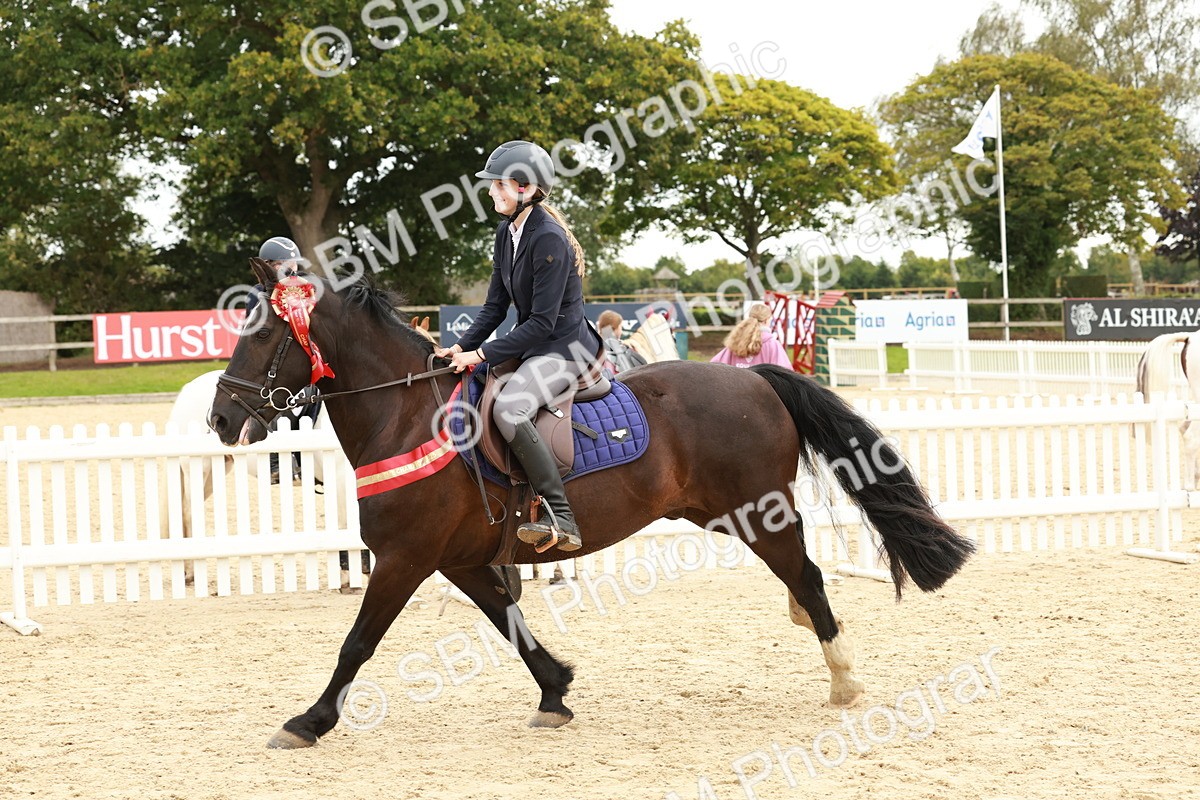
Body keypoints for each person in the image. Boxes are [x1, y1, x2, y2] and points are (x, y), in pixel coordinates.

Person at [433, 140, 601, 553]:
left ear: (524, 188)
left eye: (498, 186)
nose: (490, 192)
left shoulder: (549, 239)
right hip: (535, 343)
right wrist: (460, 347)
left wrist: (484, 354)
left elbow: (543, 323)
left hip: (564, 347)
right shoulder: (505, 232)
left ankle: (562, 515)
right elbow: (495, 306)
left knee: (510, 408)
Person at [246, 236, 322, 482]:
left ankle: (302, 457)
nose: (292, 268)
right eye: (283, 264)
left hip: (300, 359)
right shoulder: (258, 294)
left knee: (316, 398)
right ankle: (275, 461)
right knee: (277, 399)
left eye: (295, 263)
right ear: (268, 266)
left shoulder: (304, 290)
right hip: (267, 362)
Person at [710, 302, 793, 370]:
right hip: (762, 389)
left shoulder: (736, 341)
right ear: (767, 320)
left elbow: (714, 364)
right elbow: (786, 373)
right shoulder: (772, 344)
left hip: (737, 387)